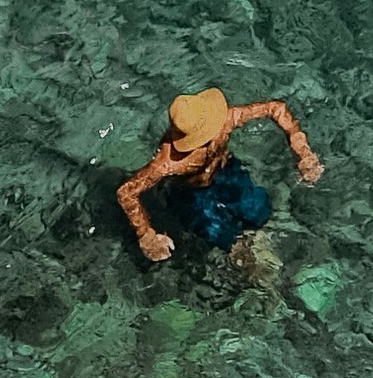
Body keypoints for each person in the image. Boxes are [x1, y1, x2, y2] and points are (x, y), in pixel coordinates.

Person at [117, 82, 325, 270]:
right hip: (190, 193)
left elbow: (275, 108)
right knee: (223, 237)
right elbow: (126, 192)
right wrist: (146, 235)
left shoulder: (224, 120)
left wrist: (303, 152)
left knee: (260, 210)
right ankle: (248, 259)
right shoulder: (170, 161)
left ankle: (259, 241)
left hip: (225, 171)